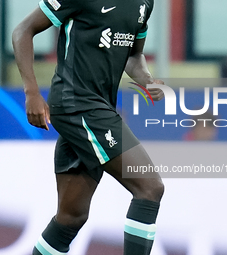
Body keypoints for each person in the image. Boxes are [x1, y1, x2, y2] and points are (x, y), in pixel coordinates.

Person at [12, 0, 165, 254]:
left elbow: (134, 55)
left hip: (95, 107)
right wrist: (32, 92)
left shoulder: (145, 3)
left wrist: (147, 80)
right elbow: (23, 30)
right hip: (77, 104)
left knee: (71, 217)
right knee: (150, 187)